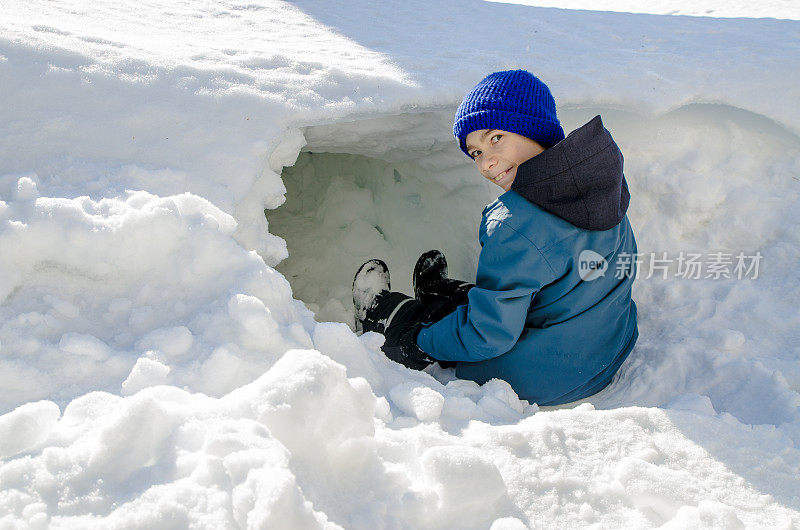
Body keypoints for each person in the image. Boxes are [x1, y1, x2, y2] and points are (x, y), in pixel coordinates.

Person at [352, 69, 639, 406]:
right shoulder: (599, 183)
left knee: (433, 328)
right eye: (475, 152)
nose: (486, 163)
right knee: (505, 296)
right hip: (607, 348)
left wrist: (420, 339)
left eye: (495, 138)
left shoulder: (517, 224)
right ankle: (449, 296)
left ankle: (385, 313)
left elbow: (488, 336)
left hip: (542, 376)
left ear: (533, 128)